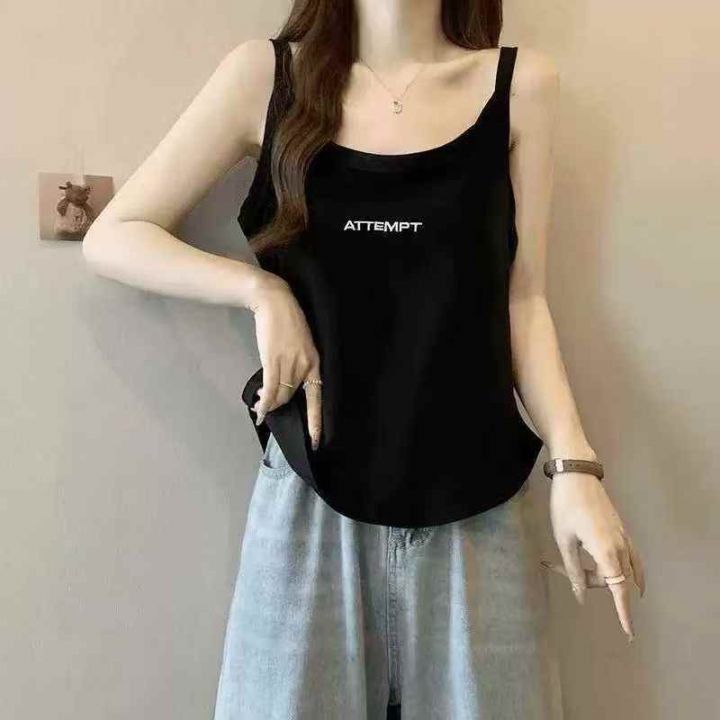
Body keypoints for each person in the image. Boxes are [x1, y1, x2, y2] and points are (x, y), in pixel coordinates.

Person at [82, 0, 646, 717]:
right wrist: (260, 292)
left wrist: (574, 466)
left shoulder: (521, 86)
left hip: (480, 507)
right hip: (310, 496)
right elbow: (117, 235)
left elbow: (524, 298)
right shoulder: (266, 79)